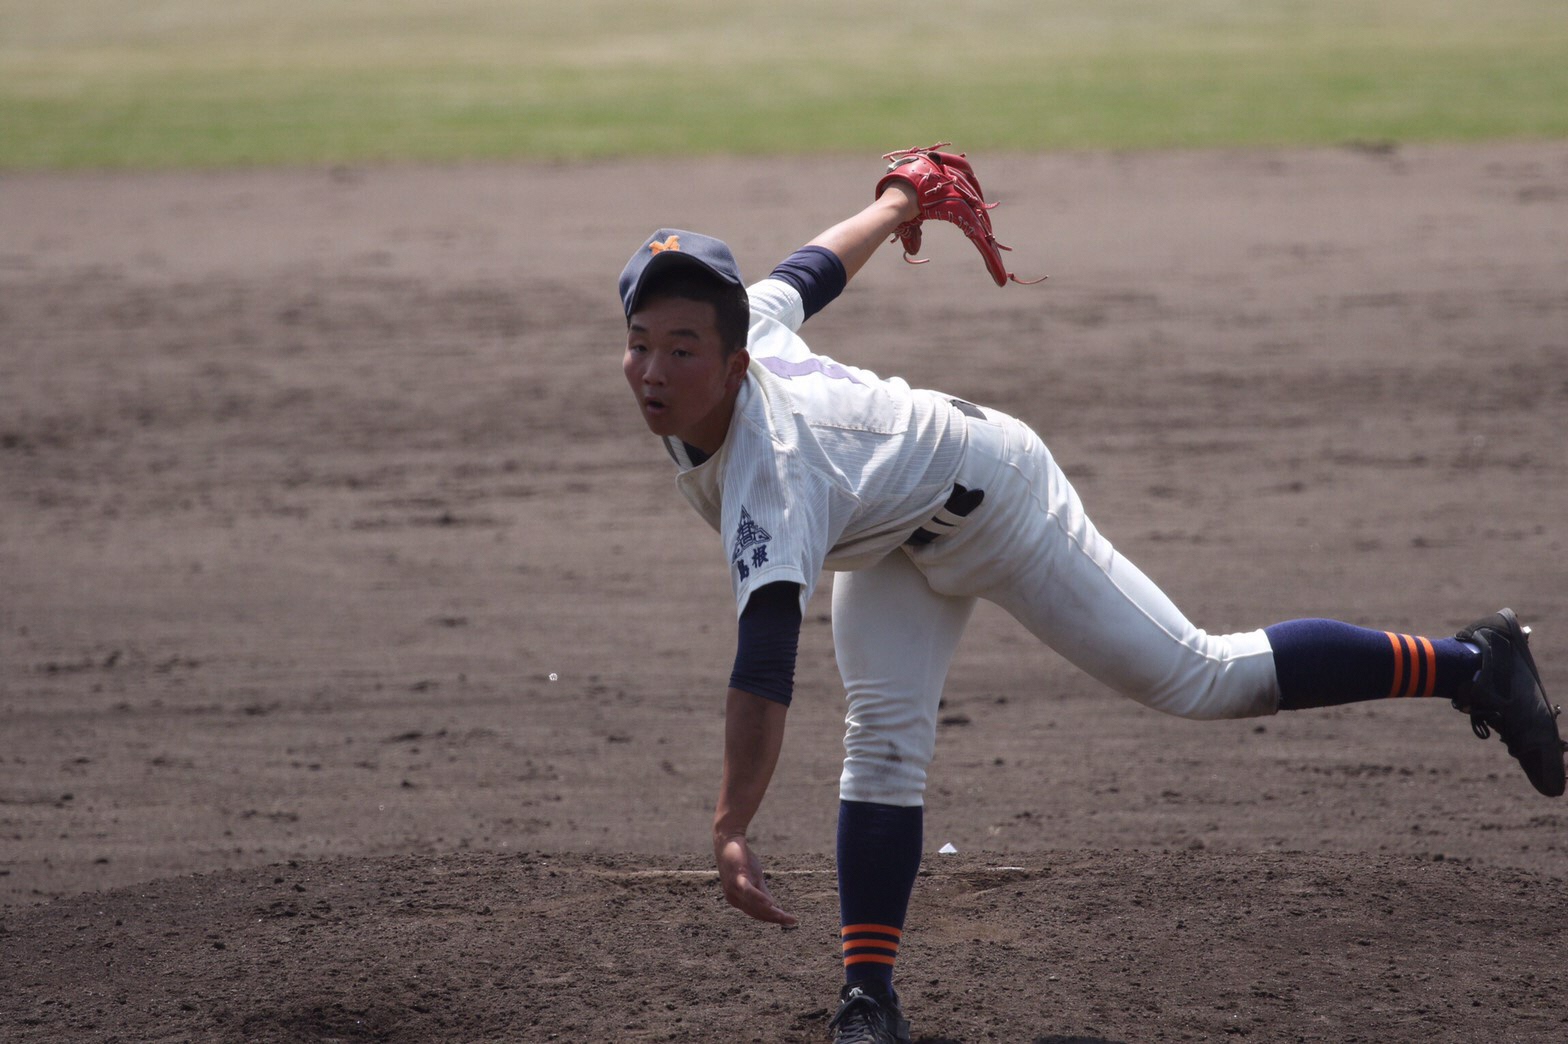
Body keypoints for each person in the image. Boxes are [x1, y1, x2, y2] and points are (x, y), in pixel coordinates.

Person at [616, 148, 1564, 1044]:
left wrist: (733, 822)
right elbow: (808, 272)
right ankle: (869, 999)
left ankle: (1474, 665)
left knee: (1200, 674)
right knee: (884, 740)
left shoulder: (773, 473)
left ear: (735, 359)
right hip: (886, 533)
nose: (656, 371)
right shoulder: (742, 335)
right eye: (641, 344)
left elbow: (765, 663)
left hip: (997, 498)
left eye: (683, 350)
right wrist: (900, 203)